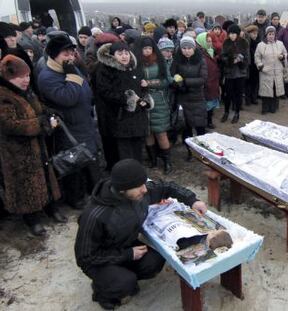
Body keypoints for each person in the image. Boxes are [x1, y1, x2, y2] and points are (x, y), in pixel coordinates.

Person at [74, 159, 207, 310]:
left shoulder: (138, 192)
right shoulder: (95, 215)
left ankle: (120, 277)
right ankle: (102, 292)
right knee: (125, 283)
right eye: (139, 186)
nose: (144, 190)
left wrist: (192, 200)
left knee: (155, 261)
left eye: (144, 183)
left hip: (124, 245)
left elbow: (167, 186)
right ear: (122, 189)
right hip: (99, 259)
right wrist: (127, 255)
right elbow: (84, 257)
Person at [0, 55, 65, 236]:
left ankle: (51, 208)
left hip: (37, 146)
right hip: (17, 152)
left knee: (44, 177)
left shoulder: (26, 91)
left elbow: (38, 108)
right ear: (9, 77)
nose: (26, 80)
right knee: (25, 185)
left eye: (28, 76)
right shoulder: (3, 95)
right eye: (21, 77)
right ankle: (32, 219)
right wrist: (42, 124)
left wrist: (48, 112)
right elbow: (10, 124)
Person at [38, 35, 100, 209]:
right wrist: (72, 75)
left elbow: (84, 89)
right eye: (65, 54)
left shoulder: (69, 68)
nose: (70, 57)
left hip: (84, 123)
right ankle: (76, 198)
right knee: (73, 163)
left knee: (88, 159)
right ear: (54, 55)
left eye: (72, 53)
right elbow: (68, 98)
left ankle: (91, 192)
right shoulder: (47, 76)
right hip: (69, 128)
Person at [95, 41, 153, 168]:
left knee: (137, 150)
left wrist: (144, 93)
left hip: (137, 117)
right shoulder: (106, 70)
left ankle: (138, 175)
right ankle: (128, 180)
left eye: (126, 53)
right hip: (119, 119)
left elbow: (141, 89)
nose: (124, 56)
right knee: (125, 153)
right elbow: (105, 92)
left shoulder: (134, 68)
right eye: (120, 53)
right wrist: (128, 99)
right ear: (112, 55)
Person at [134, 37, 172, 174]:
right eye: (144, 49)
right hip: (142, 99)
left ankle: (167, 162)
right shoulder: (136, 63)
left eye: (149, 48)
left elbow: (167, 81)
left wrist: (149, 83)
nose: (147, 51)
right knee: (148, 132)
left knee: (161, 132)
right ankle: (153, 159)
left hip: (158, 99)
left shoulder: (160, 61)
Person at [171, 36, 207, 160]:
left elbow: (202, 79)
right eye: (184, 48)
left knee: (200, 126)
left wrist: (185, 81)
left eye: (189, 48)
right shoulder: (177, 60)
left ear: (194, 48)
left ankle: (203, 151)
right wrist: (177, 83)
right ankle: (190, 151)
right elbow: (173, 74)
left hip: (197, 97)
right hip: (183, 97)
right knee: (186, 128)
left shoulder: (201, 60)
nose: (186, 51)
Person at [220, 24, 249, 124]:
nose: (232, 35)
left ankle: (237, 113)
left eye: (234, 33)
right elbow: (222, 57)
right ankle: (226, 112)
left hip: (240, 73)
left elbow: (247, 58)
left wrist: (240, 60)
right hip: (229, 73)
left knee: (238, 94)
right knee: (228, 94)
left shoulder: (244, 43)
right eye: (230, 33)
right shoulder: (226, 43)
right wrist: (231, 60)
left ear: (237, 34)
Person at [255, 26, 287, 114]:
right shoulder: (261, 45)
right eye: (269, 34)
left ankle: (273, 107)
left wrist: (283, 57)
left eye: (273, 34)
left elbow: (285, 53)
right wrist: (260, 66)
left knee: (275, 90)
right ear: (266, 35)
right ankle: (265, 108)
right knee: (266, 91)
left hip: (277, 72)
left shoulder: (280, 44)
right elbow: (257, 57)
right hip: (266, 72)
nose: (271, 36)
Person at [196, 32, 220, 129]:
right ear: (202, 42)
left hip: (213, 82)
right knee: (205, 106)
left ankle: (209, 122)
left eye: (210, 41)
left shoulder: (211, 51)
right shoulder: (199, 55)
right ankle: (204, 124)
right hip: (206, 83)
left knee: (211, 106)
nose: (210, 43)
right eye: (208, 41)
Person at [244, 24, 260, 106]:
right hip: (249, 66)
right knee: (248, 83)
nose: (255, 35)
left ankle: (254, 98)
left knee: (255, 82)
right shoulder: (247, 43)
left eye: (256, 33)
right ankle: (248, 99)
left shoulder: (258, 43)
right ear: (249, 34)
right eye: (253, 33)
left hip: (255, 66)